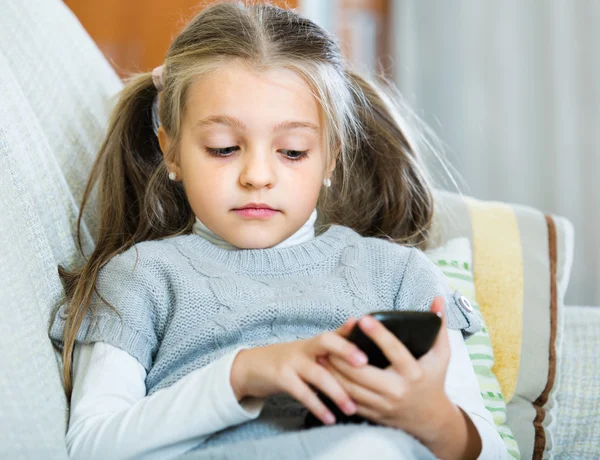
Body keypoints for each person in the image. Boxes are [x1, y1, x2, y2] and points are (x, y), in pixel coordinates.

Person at [49, 2, 507, 459]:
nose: (257, 176)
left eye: (291, 152)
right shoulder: (139, 277)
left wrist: (434, 420)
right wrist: (243, 374)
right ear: (171, 151)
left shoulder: (401, 275)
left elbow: (493, 452)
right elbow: (92, 445)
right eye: (224, 148)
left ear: (329, 156)